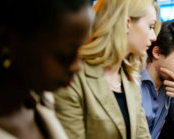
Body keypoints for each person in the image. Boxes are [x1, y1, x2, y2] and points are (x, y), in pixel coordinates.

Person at [53, 0, 160, 138]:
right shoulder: (73, 76)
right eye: (150, 26)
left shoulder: (129, 78)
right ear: (126, 23)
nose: (154, 37)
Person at [0, 0, 93, 138]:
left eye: (79, 52)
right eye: (65, 56)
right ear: (9, 40)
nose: (78, 66)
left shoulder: (42, 100)